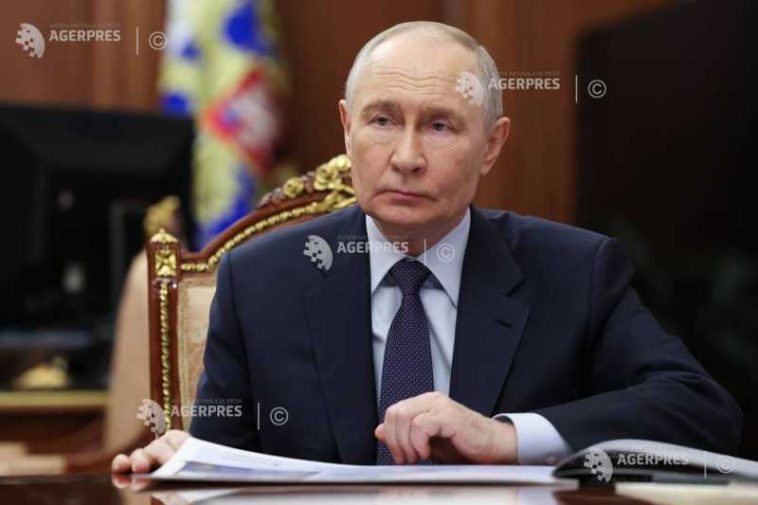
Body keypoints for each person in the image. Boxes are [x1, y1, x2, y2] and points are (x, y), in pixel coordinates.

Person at [113, 21, 742, 473]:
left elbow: (701, 410)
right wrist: (187, 461)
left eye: (439, 125)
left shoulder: (573, 271)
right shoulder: (260, 280)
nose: (407, 157)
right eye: (382, 120)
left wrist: (505, 438)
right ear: (347, 128)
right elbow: (223, 461)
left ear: (491, 145)